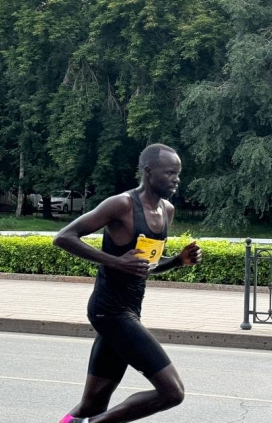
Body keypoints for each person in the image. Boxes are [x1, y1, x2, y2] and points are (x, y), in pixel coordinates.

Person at [53, 143, 202, 423]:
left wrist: (178, 261)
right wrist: (116, 261)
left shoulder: (166, 210)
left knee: (92, 403)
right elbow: (64, 237)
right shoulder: (121, 204)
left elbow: (146, 266)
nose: (176, 179)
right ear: (148, 172)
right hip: (109, 311)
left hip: (130, 311)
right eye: (169, 172)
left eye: (178, 174)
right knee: (172, 392)